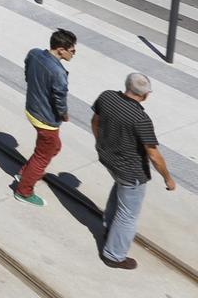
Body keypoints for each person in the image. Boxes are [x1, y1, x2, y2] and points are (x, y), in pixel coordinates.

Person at [92, 72, 176, 269]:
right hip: (131, 172)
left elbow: (95, 121)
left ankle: (109, 229)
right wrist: (168, 179)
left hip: (108, 159)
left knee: (119, 193)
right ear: (145, 95)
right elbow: (153, 155)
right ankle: (114, 255)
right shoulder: (140, 118)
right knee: (128, 215)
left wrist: (100, 143)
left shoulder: (106, 96)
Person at [13, 28, 77, 206]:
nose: (74, 54)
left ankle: (24, 173)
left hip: (31, 108)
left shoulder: (34, 54)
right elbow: (60, 99)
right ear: (61, 49)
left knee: (53, 147)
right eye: (72, 50)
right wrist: (63, 115)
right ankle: (23, 191)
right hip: (46, 119)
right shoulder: (59, 73)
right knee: (44, 155)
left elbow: (27, 71)